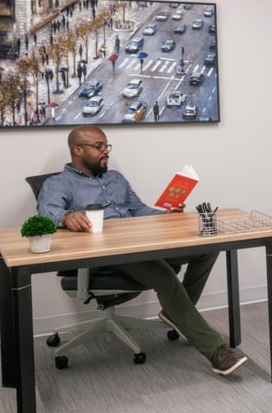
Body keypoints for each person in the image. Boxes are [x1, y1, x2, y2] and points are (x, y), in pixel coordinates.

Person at [36, 125, 248, 376]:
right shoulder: (59, 183)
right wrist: (67, 216)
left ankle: (175, 313)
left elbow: (138, 210)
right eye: (99, 147)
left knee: (207, 248)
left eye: (107, 146)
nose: (106, 152)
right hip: (106, 253)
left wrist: (167, 215)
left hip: (140, 243)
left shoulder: (115, 178)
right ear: (78, 150)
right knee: (163, 275)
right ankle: (215, 351)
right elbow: (47, 214)